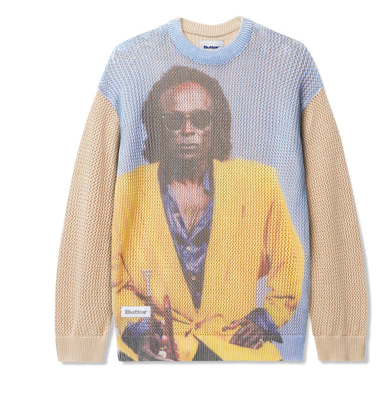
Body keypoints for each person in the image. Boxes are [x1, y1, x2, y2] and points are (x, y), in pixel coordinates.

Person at [111, 66, 304, 361]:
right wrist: (140, 329)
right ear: (158, 126)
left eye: (200, 119)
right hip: (159, 354)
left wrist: (266, 320)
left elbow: (289, 261)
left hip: (237, 352)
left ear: (216, 124)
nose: (188, 130)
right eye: (175, 121)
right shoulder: (128, 190)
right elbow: (116, 281)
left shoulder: (259, 184)